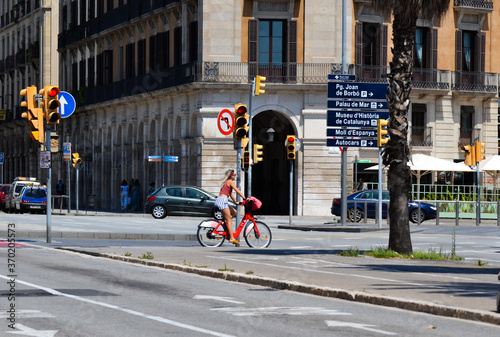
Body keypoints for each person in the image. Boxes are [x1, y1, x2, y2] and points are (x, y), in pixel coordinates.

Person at [214, 169, 246, 245]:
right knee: (229, 220)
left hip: (222, 200)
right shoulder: (230, 182)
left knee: (234, 212)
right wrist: (244, 198)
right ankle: (231, 238)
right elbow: (237, 190)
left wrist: (235, 202)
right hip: (222, 200)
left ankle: (226, 225)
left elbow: (230, 194)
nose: (235, 176)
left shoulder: (227, 182)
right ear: (231, 176)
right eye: (234, 175)